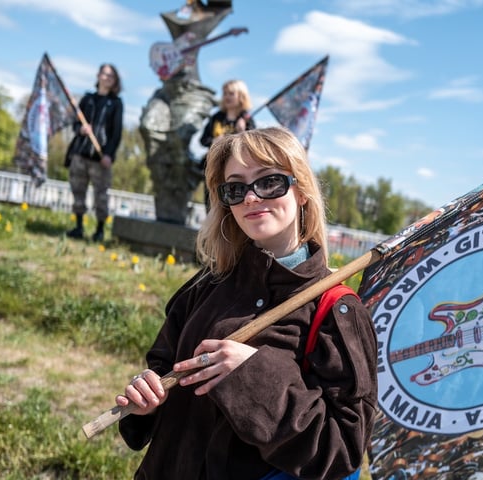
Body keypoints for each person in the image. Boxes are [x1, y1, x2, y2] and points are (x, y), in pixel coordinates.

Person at [115, 127, 378, 479]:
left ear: (301, 191)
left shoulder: (336, 310)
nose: (251, 198)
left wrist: (253, 373)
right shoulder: (208, 284)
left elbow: (342, 449)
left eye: (268, 182)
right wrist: (145, 400)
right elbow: (163, 372)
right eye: (236, 188)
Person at [65, 63, 124, 242]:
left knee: (101, 194)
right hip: (80, 153)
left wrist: (109, 154)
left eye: (110, 76)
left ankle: (99, 230)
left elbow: (116, 133)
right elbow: (75, 123)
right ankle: (79, 226)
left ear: (114, 81)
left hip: (100, 157)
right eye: (104, 74)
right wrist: (81, 129)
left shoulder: (115, 103)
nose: (106, 78)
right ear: (98, 76)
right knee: (78, 190)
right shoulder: (88, 99)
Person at [198, 79, 256, 210]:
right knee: (210, 203)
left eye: (231, 93)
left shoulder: (246, 120)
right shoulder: (216, 117)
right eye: (225, 93)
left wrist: (243, 131)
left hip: (235, 168)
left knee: (229, 204)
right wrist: (213, 141)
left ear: (241, 96)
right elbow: (203, 140)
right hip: (213, 165)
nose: (227, 97)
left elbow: (253, 145)